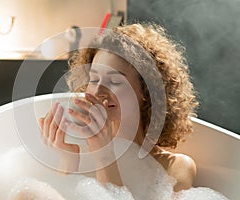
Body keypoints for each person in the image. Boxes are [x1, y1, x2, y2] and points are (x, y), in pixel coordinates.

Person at [39, 22, 199, 194]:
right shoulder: (83, 152)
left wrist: (104, 157)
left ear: (148, 91)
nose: (98, 91)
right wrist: (68, 160)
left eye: (114, 81)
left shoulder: (175, 167)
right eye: (93, 80)